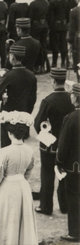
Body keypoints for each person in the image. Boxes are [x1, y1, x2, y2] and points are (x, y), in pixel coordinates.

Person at [0, 111, 38, 245]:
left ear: (9, 133)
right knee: (21, 219)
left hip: (7, 188)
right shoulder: (29, 150)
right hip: (23, 187)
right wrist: (22, 180)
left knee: (6, 219)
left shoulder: (4, 152)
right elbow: (29, 170)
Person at [34, 66, 72, 216]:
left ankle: (46, 206)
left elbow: (38, 124)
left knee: (47, 175)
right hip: (67, 145)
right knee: (64, 175)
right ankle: (64, 205)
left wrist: (47, 139)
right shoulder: (71, 99)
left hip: (49, 146)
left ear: (53, 81)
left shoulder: (48, 100)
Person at [0, 45, 37, 147]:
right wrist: (26, 112)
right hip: (23, 115)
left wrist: (0, 82)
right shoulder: (31, 75)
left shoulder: (9, 76)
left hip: (8, 116)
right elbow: (33, 99)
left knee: (6, 146)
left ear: (12, 57)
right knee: (20, 145)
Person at [55, 82, 80, 242]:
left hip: (73, 166)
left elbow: (63, 146)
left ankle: (75, 232)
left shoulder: (71, 118)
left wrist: (59, 162)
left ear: (76, 98)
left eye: (72, 94)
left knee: (74, 199)